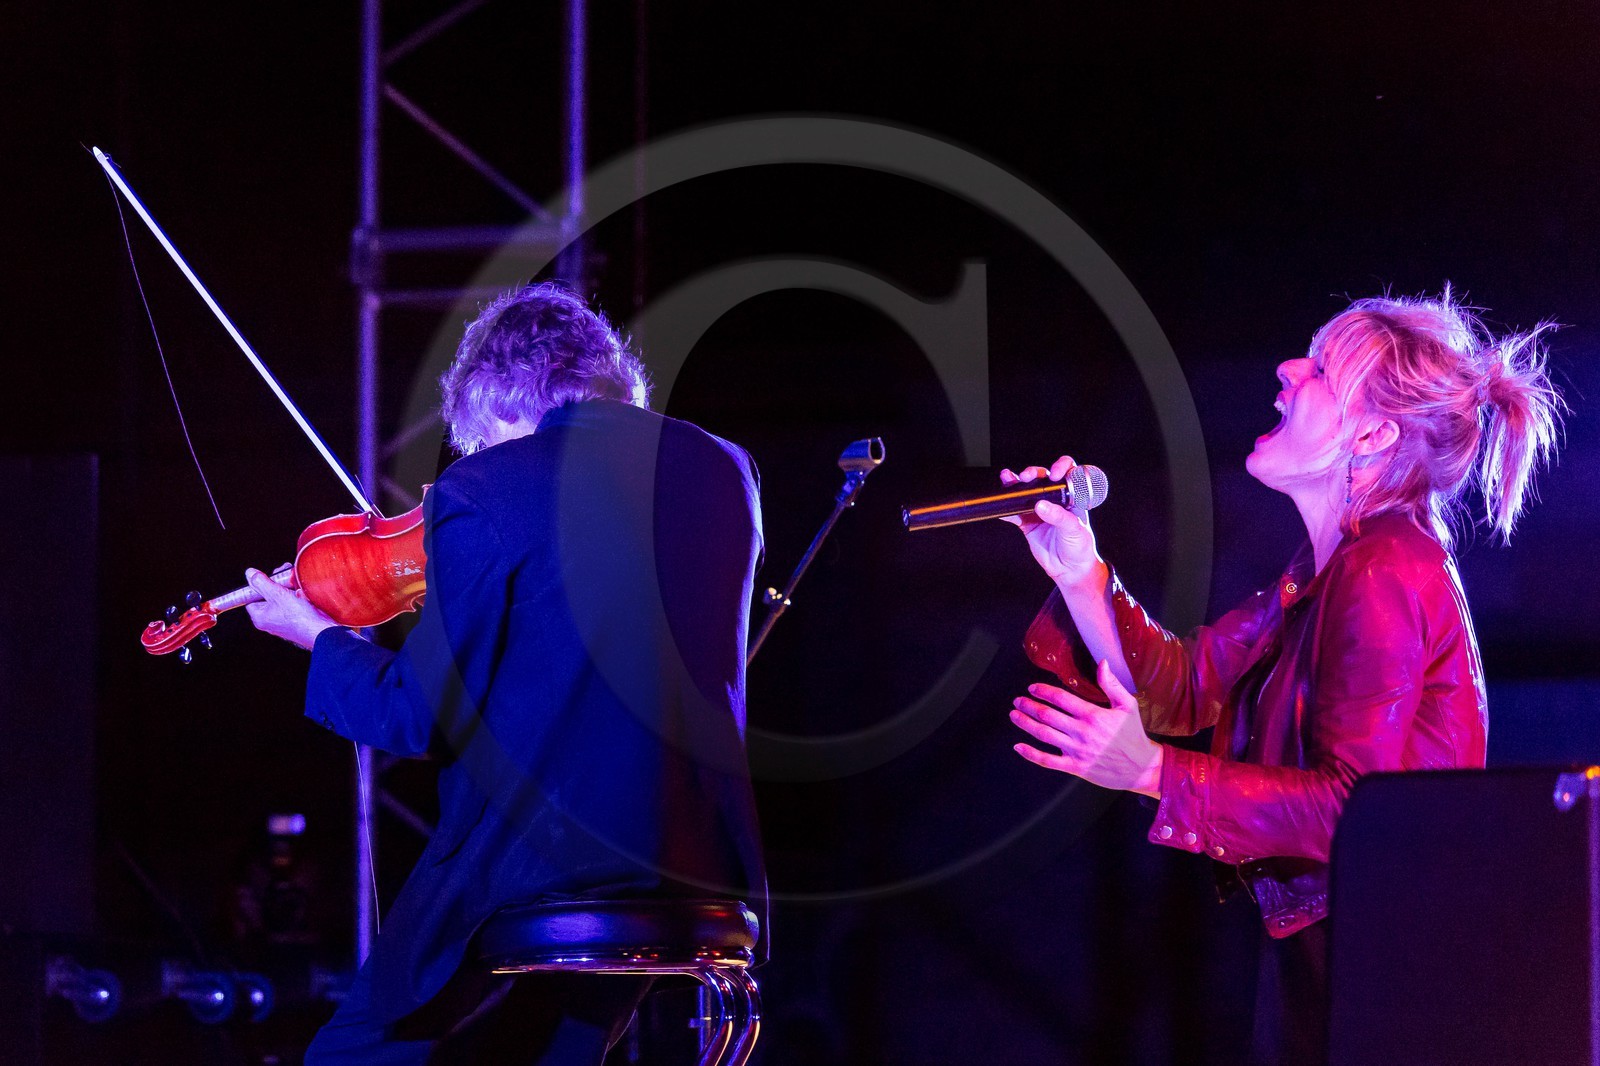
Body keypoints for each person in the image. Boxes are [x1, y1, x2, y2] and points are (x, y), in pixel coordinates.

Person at [1001, 290, 1563, 1064]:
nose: (1288, 369)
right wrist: (1080, 571)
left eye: (1324, 370)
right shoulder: (1333, 568)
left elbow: (1356, 809)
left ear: (1372, 433)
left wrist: (1154, 773)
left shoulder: (1387, 567)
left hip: (1386, 973)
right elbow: (1186, 685)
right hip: (1351, 958)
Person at [243, 281, 768, 1064]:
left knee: (354, 1051)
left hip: (545, 860)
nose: (477, 458)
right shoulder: (726, 470)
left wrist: (316, 636)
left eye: (481, 438)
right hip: (693, 858)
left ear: (502, 403)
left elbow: (413, 716)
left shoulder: (484, 489)